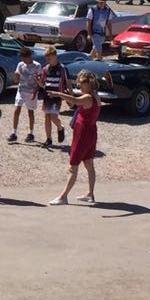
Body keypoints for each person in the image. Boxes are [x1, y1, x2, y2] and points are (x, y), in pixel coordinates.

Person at [48, 70, 102, 205]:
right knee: (89, 163)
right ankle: (90, 194)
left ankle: (63, 197)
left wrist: (58, 94)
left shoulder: (88, 97)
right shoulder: (94, 95)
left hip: (83, 134)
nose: (79, 84)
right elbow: (76, 101)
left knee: (73, 166)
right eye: (79, 81)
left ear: (89, 83)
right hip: (89, 132)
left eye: (82, 82)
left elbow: (75, 100)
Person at [36, 46, 69, 147]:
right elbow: (42, 84)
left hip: (57, 95)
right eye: (46, 58)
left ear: (55, 56)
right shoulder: (45, 69)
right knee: (47, 116)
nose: (48, 60)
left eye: (49, 58)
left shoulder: (62, 68)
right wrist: (38, 81)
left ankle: (60, 127)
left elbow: (68, 82)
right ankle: (48, 139)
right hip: (47, 95)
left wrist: (70, 96)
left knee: (53, 117)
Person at [8, 48, 37, 143]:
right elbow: (16, 80)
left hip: (31, 91)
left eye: (24, 58)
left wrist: (35, 93)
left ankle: (31, 133)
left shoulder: (37, 66)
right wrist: (16, 77)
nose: (23, 60)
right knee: (17, 110)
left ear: (29, 57)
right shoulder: (20, 65)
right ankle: (13, 133)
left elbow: (38, 81)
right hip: (21, 91)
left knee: (30, 112)